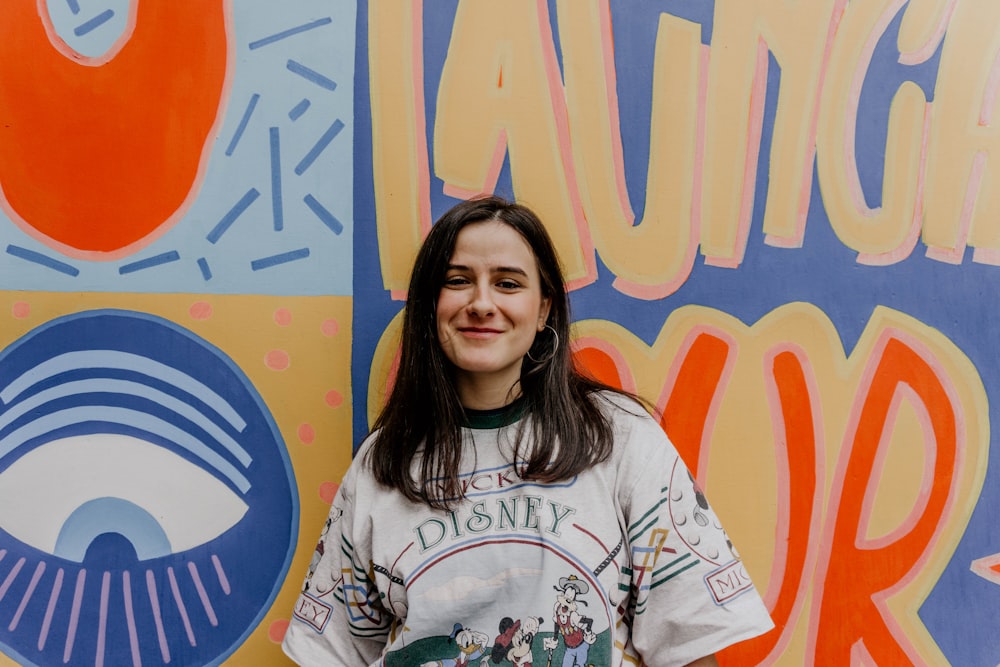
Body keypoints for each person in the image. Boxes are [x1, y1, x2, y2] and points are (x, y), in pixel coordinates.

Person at [282, 196, 773, 667]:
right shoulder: (382, 464)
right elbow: (331, 652)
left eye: (508, 283)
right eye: (458, 280)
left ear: (543, 310)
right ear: (431, 307)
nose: (481, 303)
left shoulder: (618, 437)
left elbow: (686, 644)